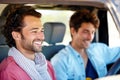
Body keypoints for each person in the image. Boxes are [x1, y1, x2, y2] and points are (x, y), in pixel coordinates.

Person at [51, 8, 120, 80]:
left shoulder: (99, 50)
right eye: (86, 32)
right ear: (73, 31)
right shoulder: (60, 61)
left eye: (92, 32)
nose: (90, 37)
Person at [0, 6, 56, 80]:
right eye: (34, 31)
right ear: (16, 35)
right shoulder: (8, 71)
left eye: (41, 31)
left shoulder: (47, 65)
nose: (42, 37)